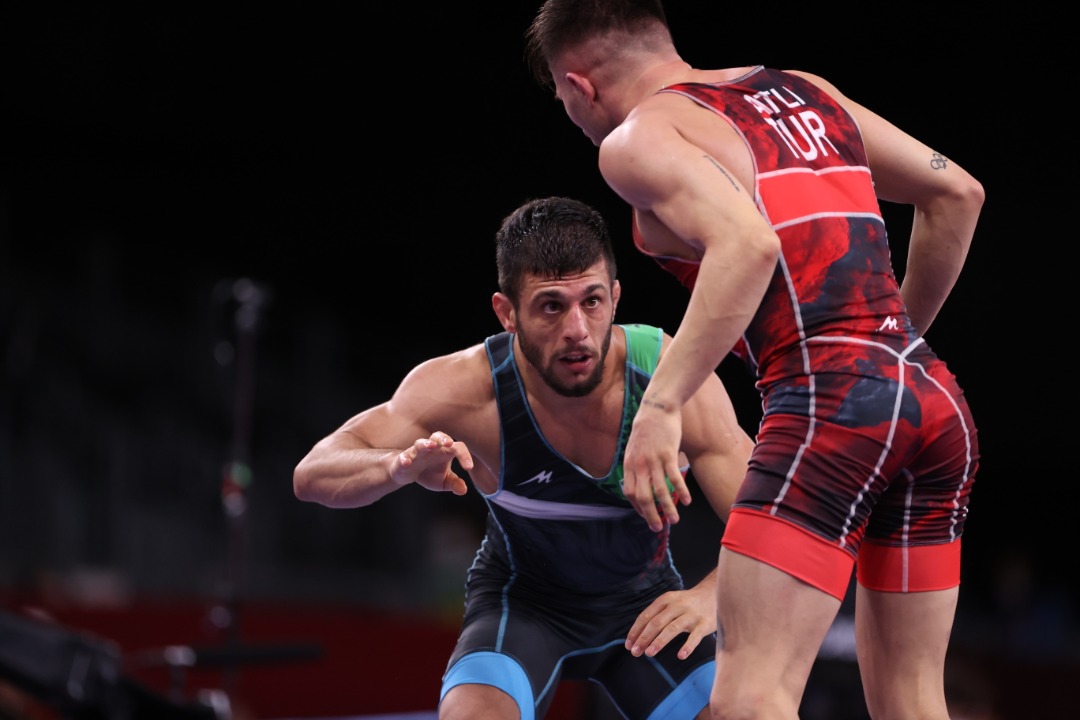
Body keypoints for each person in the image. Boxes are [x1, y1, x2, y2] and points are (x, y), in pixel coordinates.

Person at [524, 2, 984, 719]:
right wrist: (887, 358)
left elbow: (747, 244)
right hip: (930, 398)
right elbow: (957, 191)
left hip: (828, 401)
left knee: (748, 699)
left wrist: (662, 405)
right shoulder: (805, 89)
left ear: (578, 86)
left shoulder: (638, 138)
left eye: (561, 99)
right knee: (912, 702)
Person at [293, 195, 755, 720]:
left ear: (615, 297)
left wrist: (715, 594)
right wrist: (395, 467)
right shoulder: (466, 389)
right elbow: (312, 473)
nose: (577, 329)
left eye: (592, 301)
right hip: (523, 608)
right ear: (507, 313)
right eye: (551, 306)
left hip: (645, 612)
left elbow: (778, 519)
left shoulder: (671, 378)